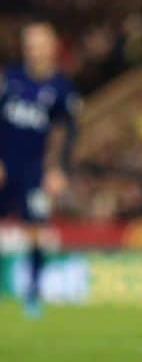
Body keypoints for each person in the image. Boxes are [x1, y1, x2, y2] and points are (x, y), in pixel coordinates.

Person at [0, 22, 80, 317]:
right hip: (4, 166)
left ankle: (33, 293)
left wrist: (58, 169)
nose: (33, 50)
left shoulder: (61, 88)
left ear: (53, 47)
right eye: (29, 44)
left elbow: (67, 133)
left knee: (35, 229)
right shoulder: (9, 79)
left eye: (39, 44)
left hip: (35, 171)